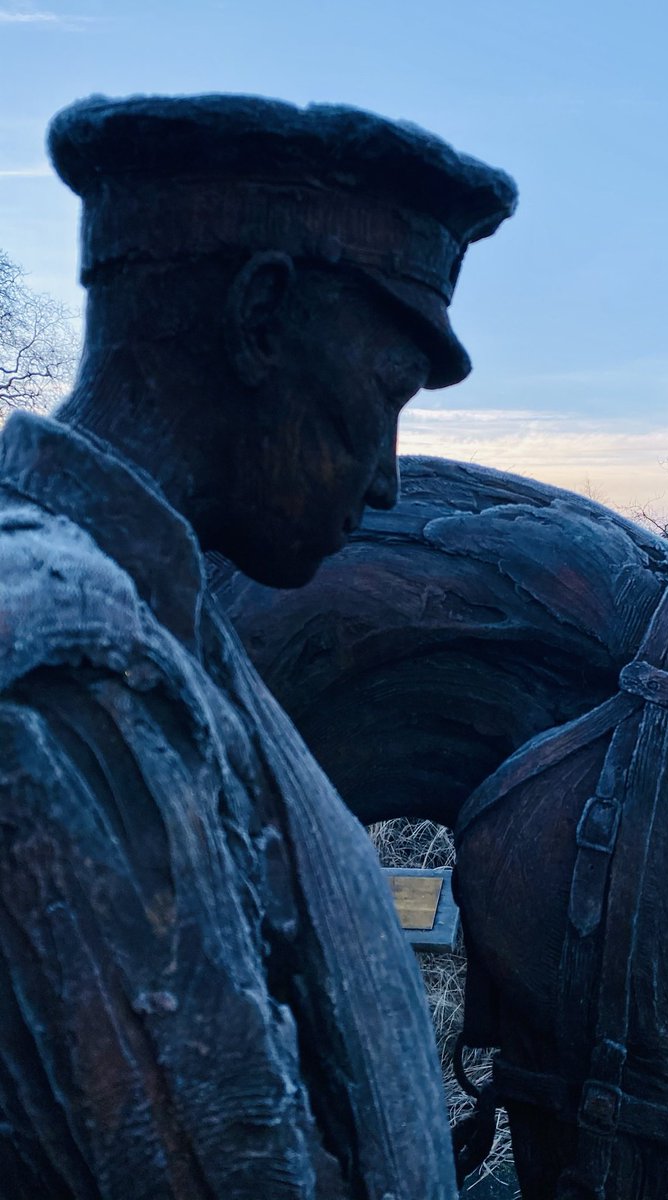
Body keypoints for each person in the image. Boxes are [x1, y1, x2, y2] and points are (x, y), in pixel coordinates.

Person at [0, 93, 516, 1199]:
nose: (383, 477)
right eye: (382, 401)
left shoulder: (165, 624)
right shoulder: (75, 678)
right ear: (263, 319)